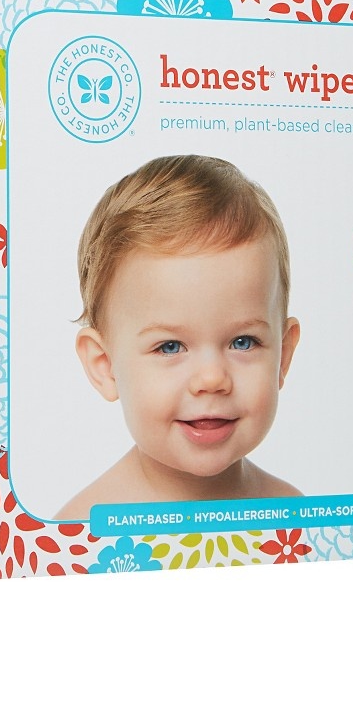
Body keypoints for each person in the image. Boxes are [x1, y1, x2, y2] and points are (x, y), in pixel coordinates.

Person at [57, 155, 301, 519]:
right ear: (104, 366)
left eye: (243, 342)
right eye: (170, 347)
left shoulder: (293, 515)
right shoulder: (78, 532)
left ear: (283, 354)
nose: (212, 379)